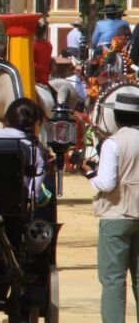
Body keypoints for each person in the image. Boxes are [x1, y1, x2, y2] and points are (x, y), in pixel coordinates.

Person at [80, 91, 139, 323]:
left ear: (117, 117)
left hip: (117, 215)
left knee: (113, 279)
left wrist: (89, 173)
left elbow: (106, 183)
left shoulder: (113, 143)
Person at [0, 98, 50, 204]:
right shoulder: (34, 151)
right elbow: (33, 195)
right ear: (34, 124)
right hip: (15, 208)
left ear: (7, 119)